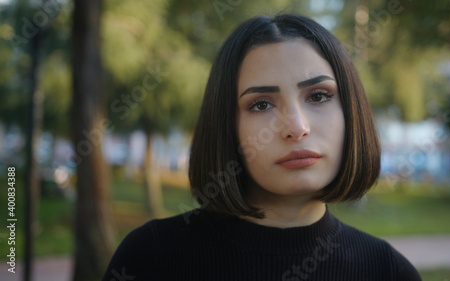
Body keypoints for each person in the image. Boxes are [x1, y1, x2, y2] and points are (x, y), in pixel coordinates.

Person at [102, 14, 422, 281]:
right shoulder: (151, 258)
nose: (297, 127)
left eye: (319, 96)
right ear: (225, 126)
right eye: (261, 105)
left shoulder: (388, 272)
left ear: (352, 110)